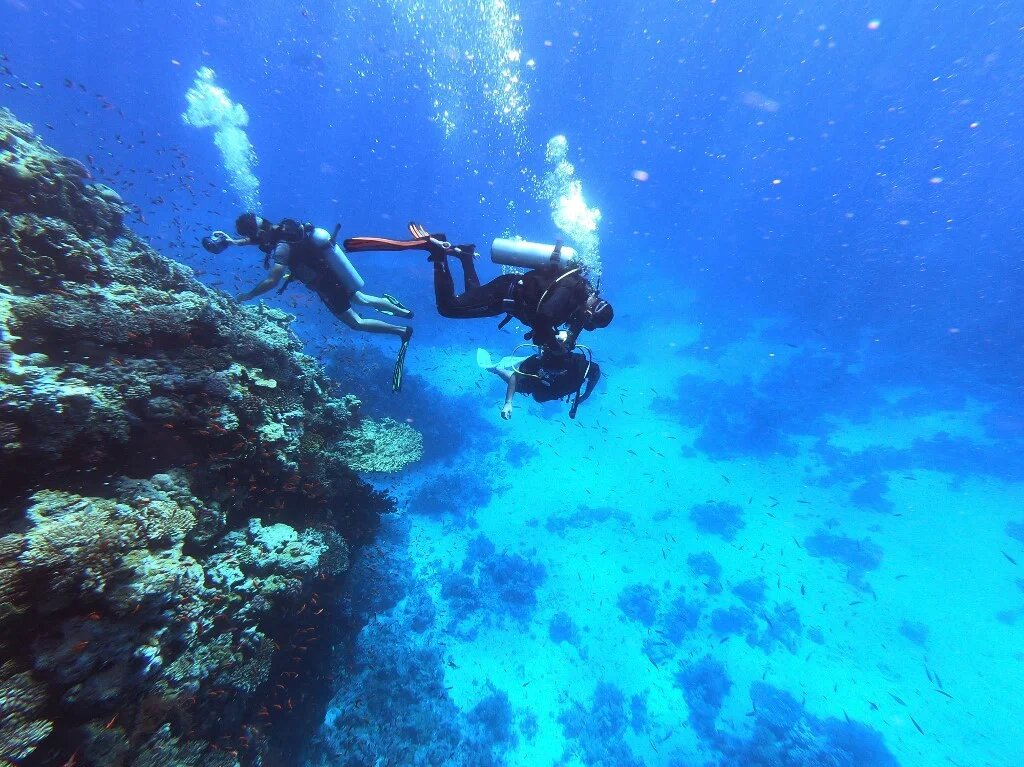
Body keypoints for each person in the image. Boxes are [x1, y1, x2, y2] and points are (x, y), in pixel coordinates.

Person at [203, 213, 414, 390]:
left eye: (249, 235)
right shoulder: (282, 229)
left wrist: (249, 295)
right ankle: (404, 312)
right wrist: (233, 242)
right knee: (362, 298)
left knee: (355, 322)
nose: (252, 238)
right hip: (333, 272)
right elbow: (259, 240)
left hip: (326, 284)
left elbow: (272, 280)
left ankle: (402, 331)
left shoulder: (282, 246)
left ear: (258, 231)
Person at [343, 222, 613, 352]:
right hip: (505, 294)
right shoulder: (571, 291)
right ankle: (437, 252)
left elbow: (572, 326)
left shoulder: (582, 297)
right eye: (587, 322)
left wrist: (568, 342)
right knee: (449, 308)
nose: (580, 323)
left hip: (507, 296)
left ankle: (465, 256)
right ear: (590, 311)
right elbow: (543, 318)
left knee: (469, 297)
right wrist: (553, 342)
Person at [486, 345, 601, 420]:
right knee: (520, 386)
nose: (557, 372)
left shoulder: (578, 365)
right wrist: (508, 402)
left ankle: (522, 363)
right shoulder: (538, 362)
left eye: (560, 370)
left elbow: (595, 371)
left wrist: (585, 395)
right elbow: (515, 377)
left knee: (535, 392)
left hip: (551, 390)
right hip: (537, 382)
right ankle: (498, 369)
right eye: (553, 370)